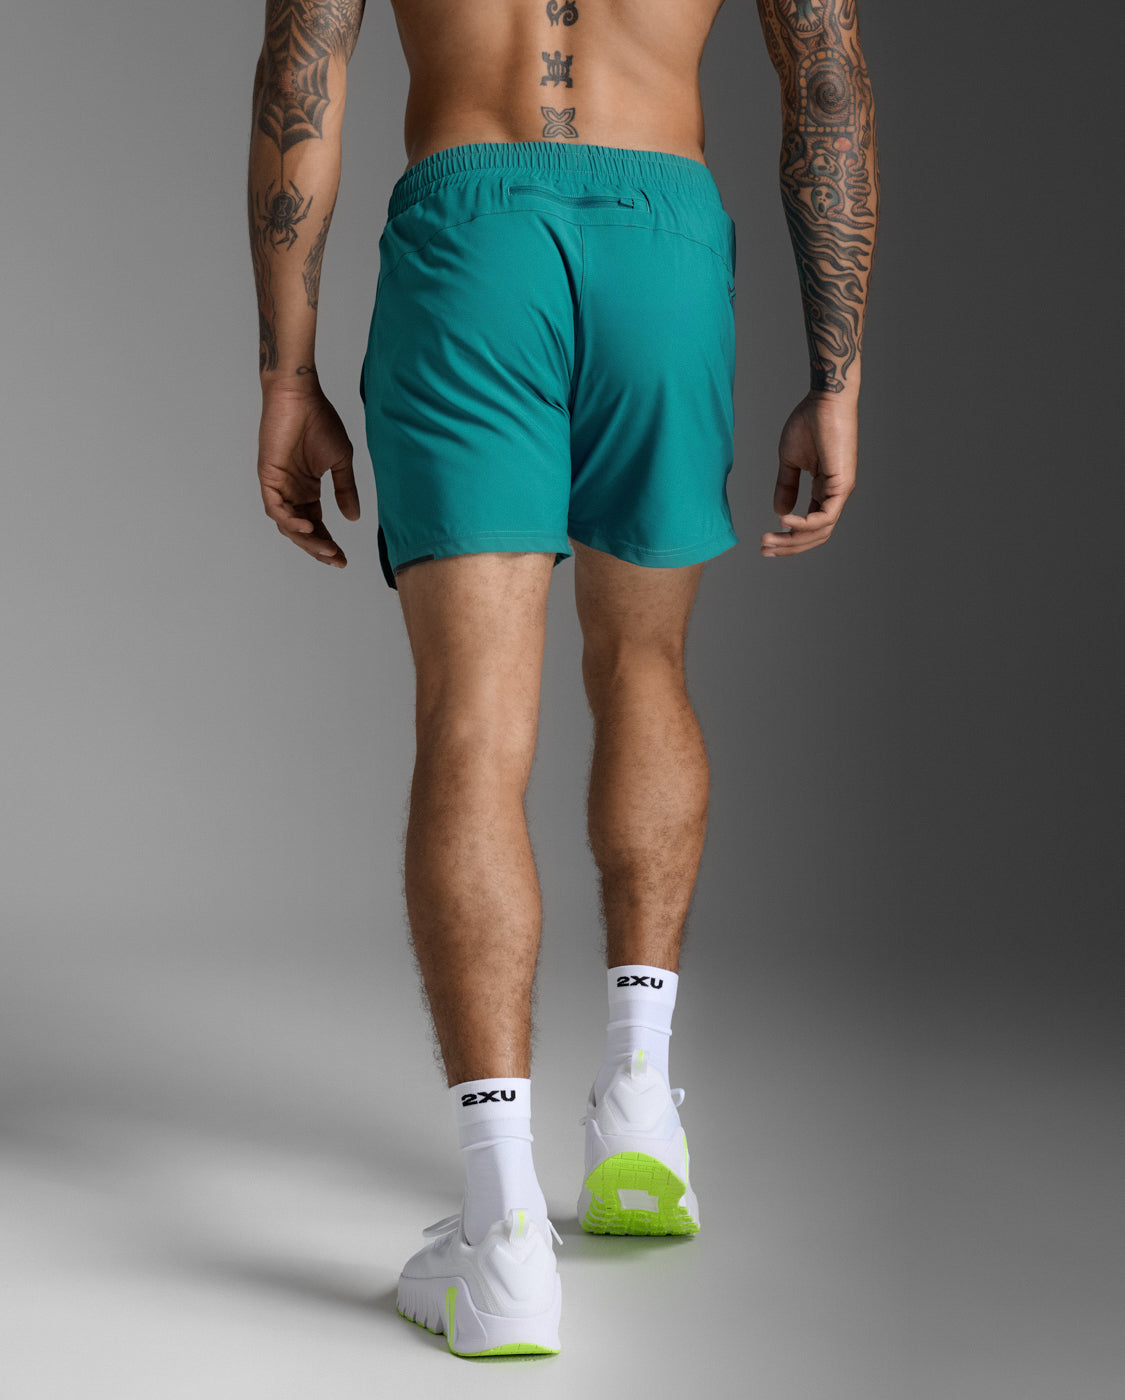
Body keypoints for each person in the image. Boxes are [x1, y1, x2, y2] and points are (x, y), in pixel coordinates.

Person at [248, 0, 879, 1359]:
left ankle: (502, 1240)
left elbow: (304, 68)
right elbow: (824, 81)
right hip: (662, 234)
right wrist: (836, 376)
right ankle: (640, 1101)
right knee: (644, 660)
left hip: (471, 239)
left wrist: (286, 373)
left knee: (473, 723)